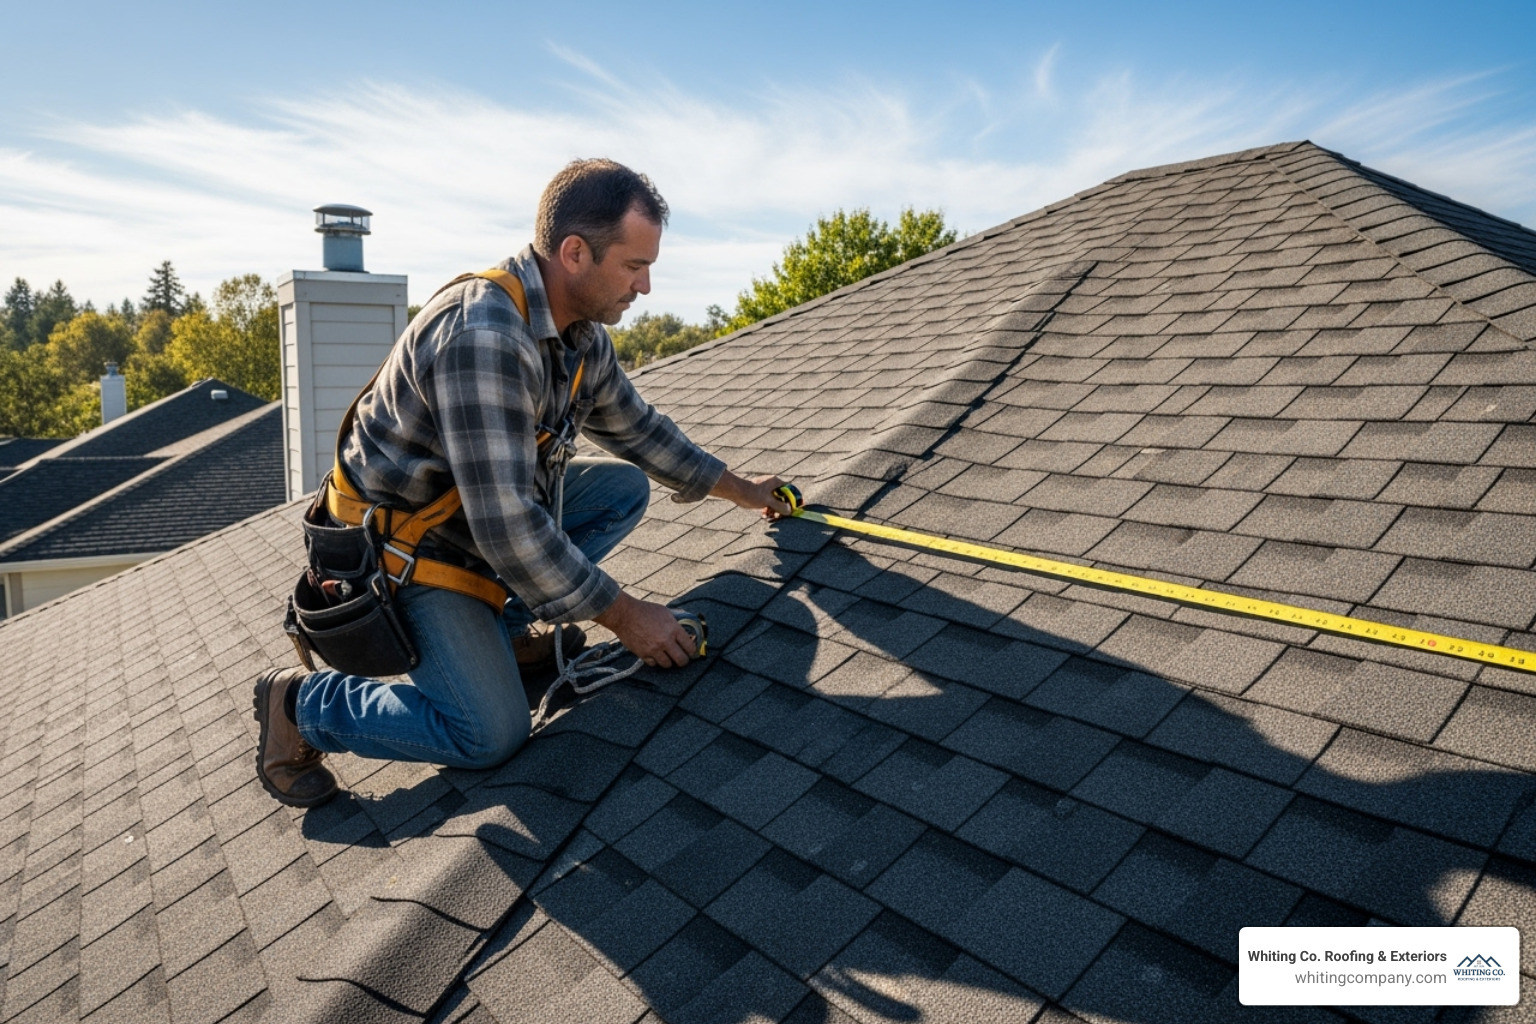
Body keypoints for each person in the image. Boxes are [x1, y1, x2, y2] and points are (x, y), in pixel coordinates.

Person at [253, 158, 792, 807]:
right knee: (487, 734)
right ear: (573, 253)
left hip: (466, 524)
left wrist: (745, 490)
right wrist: (627, 618)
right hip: (401, 555)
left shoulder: (579, 337)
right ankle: (302, 707)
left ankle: (501, 633)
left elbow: (639, 430)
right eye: (633, 266)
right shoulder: (484, 335)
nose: (646, 286)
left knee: (621, 490)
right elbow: (509, 526)